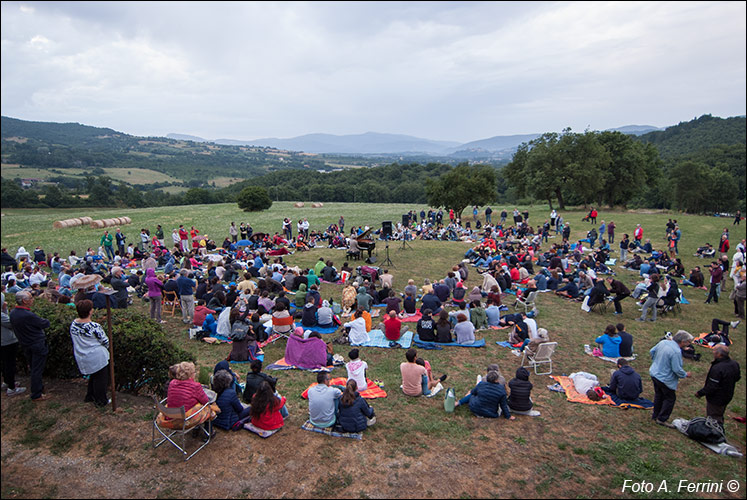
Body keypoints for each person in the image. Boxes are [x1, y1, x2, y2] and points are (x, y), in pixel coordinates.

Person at [9, 291, 51, 401]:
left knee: (33, 367)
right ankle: (36, 393)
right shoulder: (27, 315)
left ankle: (39, 388)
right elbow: (45, 323)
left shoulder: (13, 313)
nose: (33, 300)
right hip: (36, 343)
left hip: (25, 343)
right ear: (24, 301)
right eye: (31, 298)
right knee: (37, 369)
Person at [70, 299, 110, 407]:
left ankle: (90, 395)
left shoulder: (74, 324)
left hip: (82, 354)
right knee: (100, 379)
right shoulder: (94, 327)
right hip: (97, 355)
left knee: (94, 376)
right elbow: (105, 341)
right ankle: (101, 401)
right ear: (90, 311)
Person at [649, 330, 692, 427]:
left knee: (659, 395)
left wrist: (656, 361)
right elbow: (676, 369)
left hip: (654, 373)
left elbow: (652, 351)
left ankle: (655, 414)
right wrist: (685, 374)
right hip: (665, 378)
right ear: (683, 342)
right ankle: (662, 418)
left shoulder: (663, 342)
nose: (689, 344)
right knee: (670, 398)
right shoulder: (676, 352)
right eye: (688, 342)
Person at [695, 345, 741, 426]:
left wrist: (700, 393)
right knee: (719, 413)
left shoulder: (718, 368)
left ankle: (714, 434)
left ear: (719, 354)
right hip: (728, 395)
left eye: (714, 351)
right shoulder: (734, 364)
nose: (713, 352)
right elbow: (737, 378)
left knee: (714, 418)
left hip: (716, 398)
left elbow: (712, 386)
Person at [1, 292, 25, 396]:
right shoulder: (1, 315)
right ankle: (11, 388)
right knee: (9, 364)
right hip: (7, 341)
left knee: (4, 363)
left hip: (4, 341)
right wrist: (5, 310)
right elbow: (11, 323)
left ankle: (7, 382)